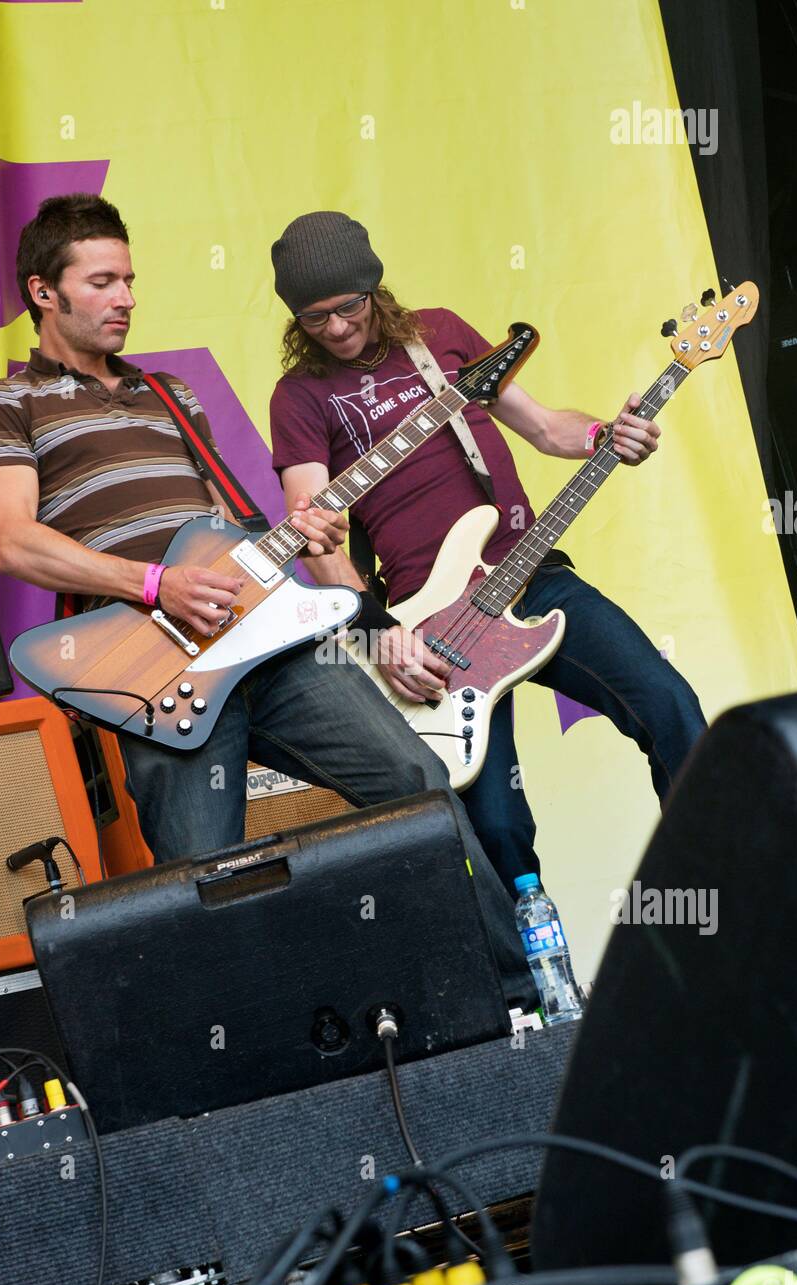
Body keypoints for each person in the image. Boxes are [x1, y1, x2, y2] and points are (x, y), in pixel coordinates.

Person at [0, 193, 540, 1009]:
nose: (127, 296)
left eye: (129, 279)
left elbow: (231, 529)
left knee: (416, 780)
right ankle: (244, 1093)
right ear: (42, 292)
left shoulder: (171, 394)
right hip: (153, 671)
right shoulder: (7, 401)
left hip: (269, 641)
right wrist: (154, 584)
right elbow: (14, 541)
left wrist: (296, 536)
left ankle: (522, 1006)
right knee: (207, 879)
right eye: (102, 281)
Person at [268, 211, 707, 900]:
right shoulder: (299, 396)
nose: (336, 328)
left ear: (373, 289)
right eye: (313, 317)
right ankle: (539, 984)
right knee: (496, 824)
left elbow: (542, 428)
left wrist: (602, 433)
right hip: (431, 629)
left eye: (347, 307)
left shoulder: (440, 335)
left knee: (669, 706)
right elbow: (314, 535)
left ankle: (724, 903)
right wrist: (381, 640)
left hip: (530, 577)